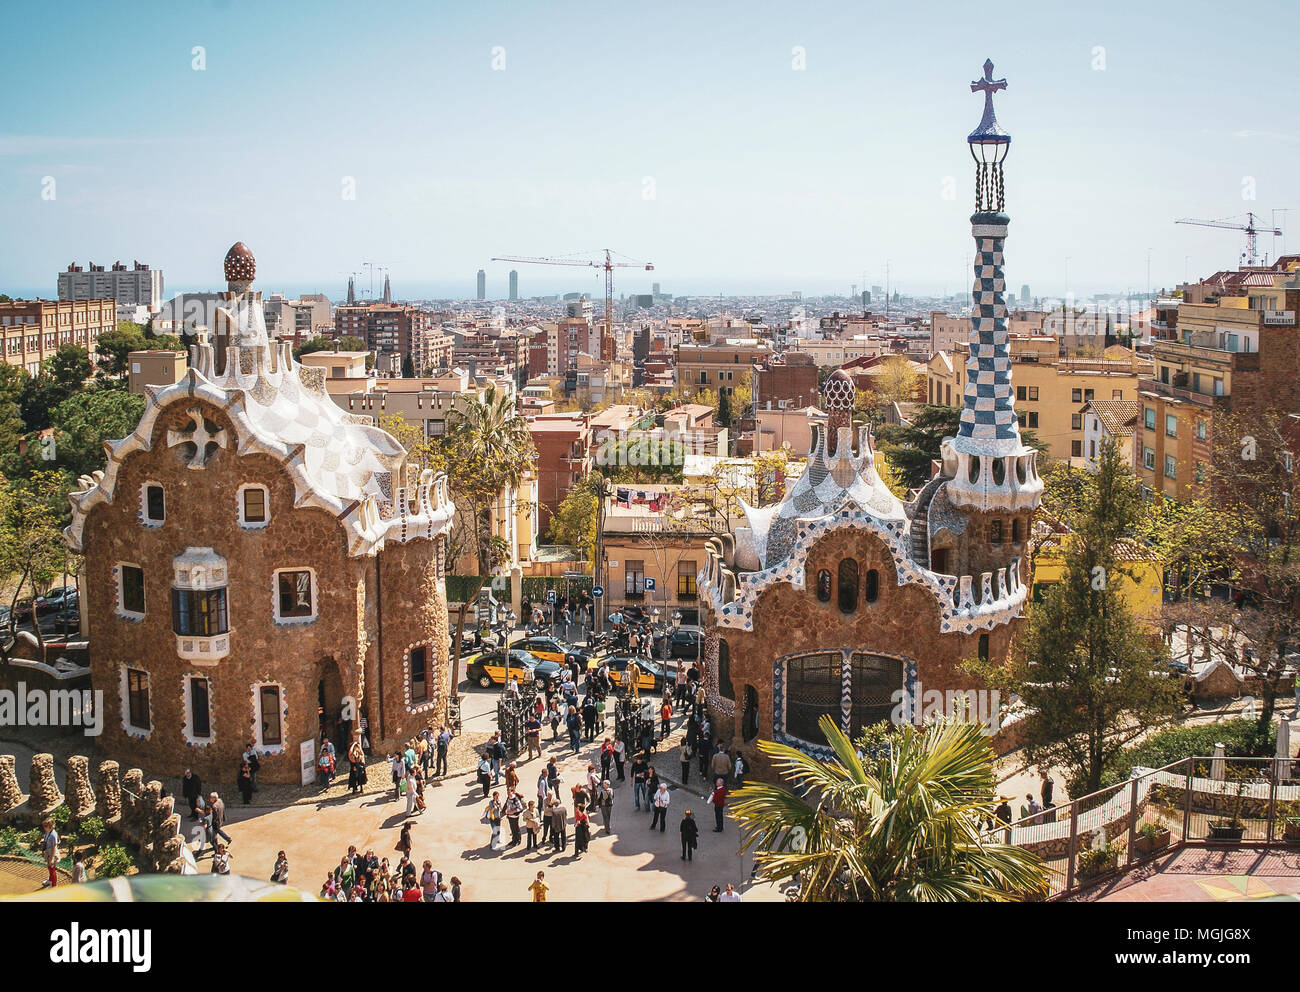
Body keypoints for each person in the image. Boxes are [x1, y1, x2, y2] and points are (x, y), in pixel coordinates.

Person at [40, 817, 59, 888]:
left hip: (51, 853)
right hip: (48, 852)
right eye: (44, 826)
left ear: (50, 826)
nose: (44, 828)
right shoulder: (48, 832)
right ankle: (50, 880)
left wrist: (52, 858)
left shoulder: (53, 835)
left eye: (45, 826)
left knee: (52, 869)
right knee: (49, 867)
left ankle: (54, 885)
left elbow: (54, 847)